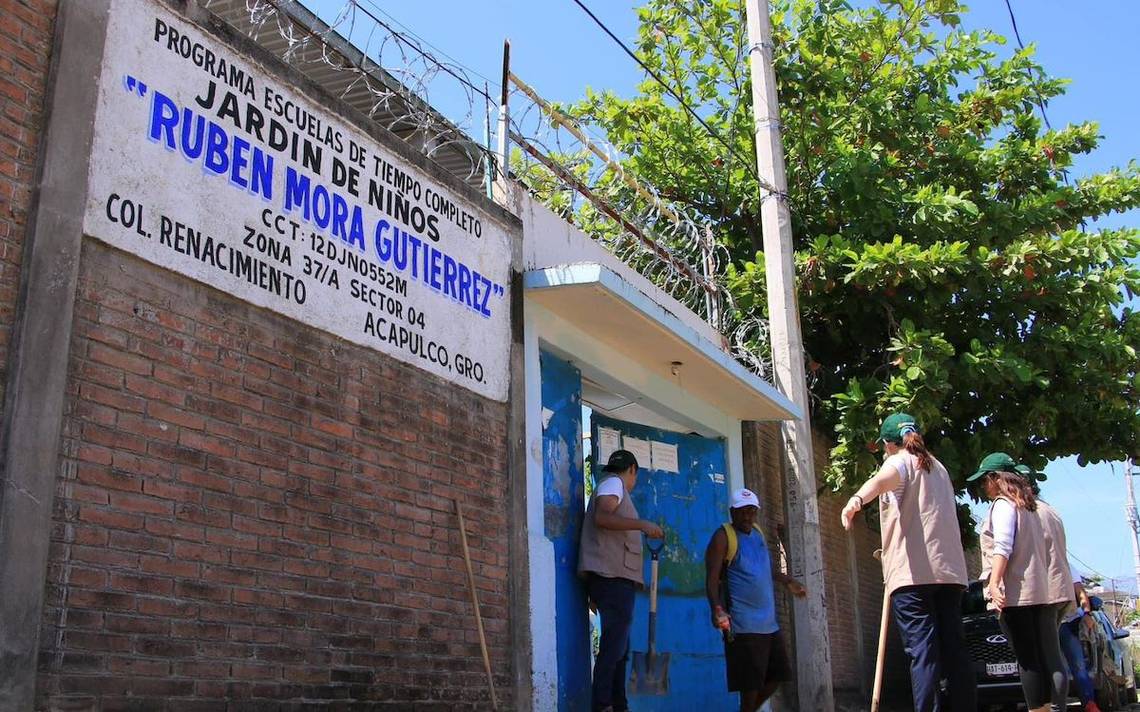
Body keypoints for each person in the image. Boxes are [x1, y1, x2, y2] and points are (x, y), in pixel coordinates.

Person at [840, 413, 975, 712]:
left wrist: (855, 502)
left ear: (889, 443)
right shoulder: (937, 467)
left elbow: (880, 481)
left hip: (914, 576)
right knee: (954, 650)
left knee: (923, 652)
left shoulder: (899, 460)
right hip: (950, 575)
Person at [968, 452, 1070, 712]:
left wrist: (994, 583)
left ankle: (1039, 709)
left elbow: (1003, 546)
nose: (983, 487)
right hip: (1045, 593)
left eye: (985, 481)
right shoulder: (1040, 508)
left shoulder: (1004, 505)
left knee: (1027, 659)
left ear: (996, 478)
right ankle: (1055, 708)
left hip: (1019, 592)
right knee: (1050, 657)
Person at [578, 449, 664, 712]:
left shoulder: (609, 484)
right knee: (614, 647)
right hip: (612, 579)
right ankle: (603, 704)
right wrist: (642, 525)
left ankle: (618, 704)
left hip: (611, 578)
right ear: (633, 471)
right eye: (634, 474)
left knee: (619, 647)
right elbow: (603, 518)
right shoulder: (615, 483)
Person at [704, 488, 805, 712]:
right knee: (750, 686)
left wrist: (788, 581)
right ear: (732, 512)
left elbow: (764, 569)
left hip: (768, 624)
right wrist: (717, 610)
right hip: (743, 626)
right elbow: (711, 579)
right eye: (742, 512)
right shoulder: (723, 537)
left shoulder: (757, 533)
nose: (747, 516)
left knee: (777, 676)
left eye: (752, 511)